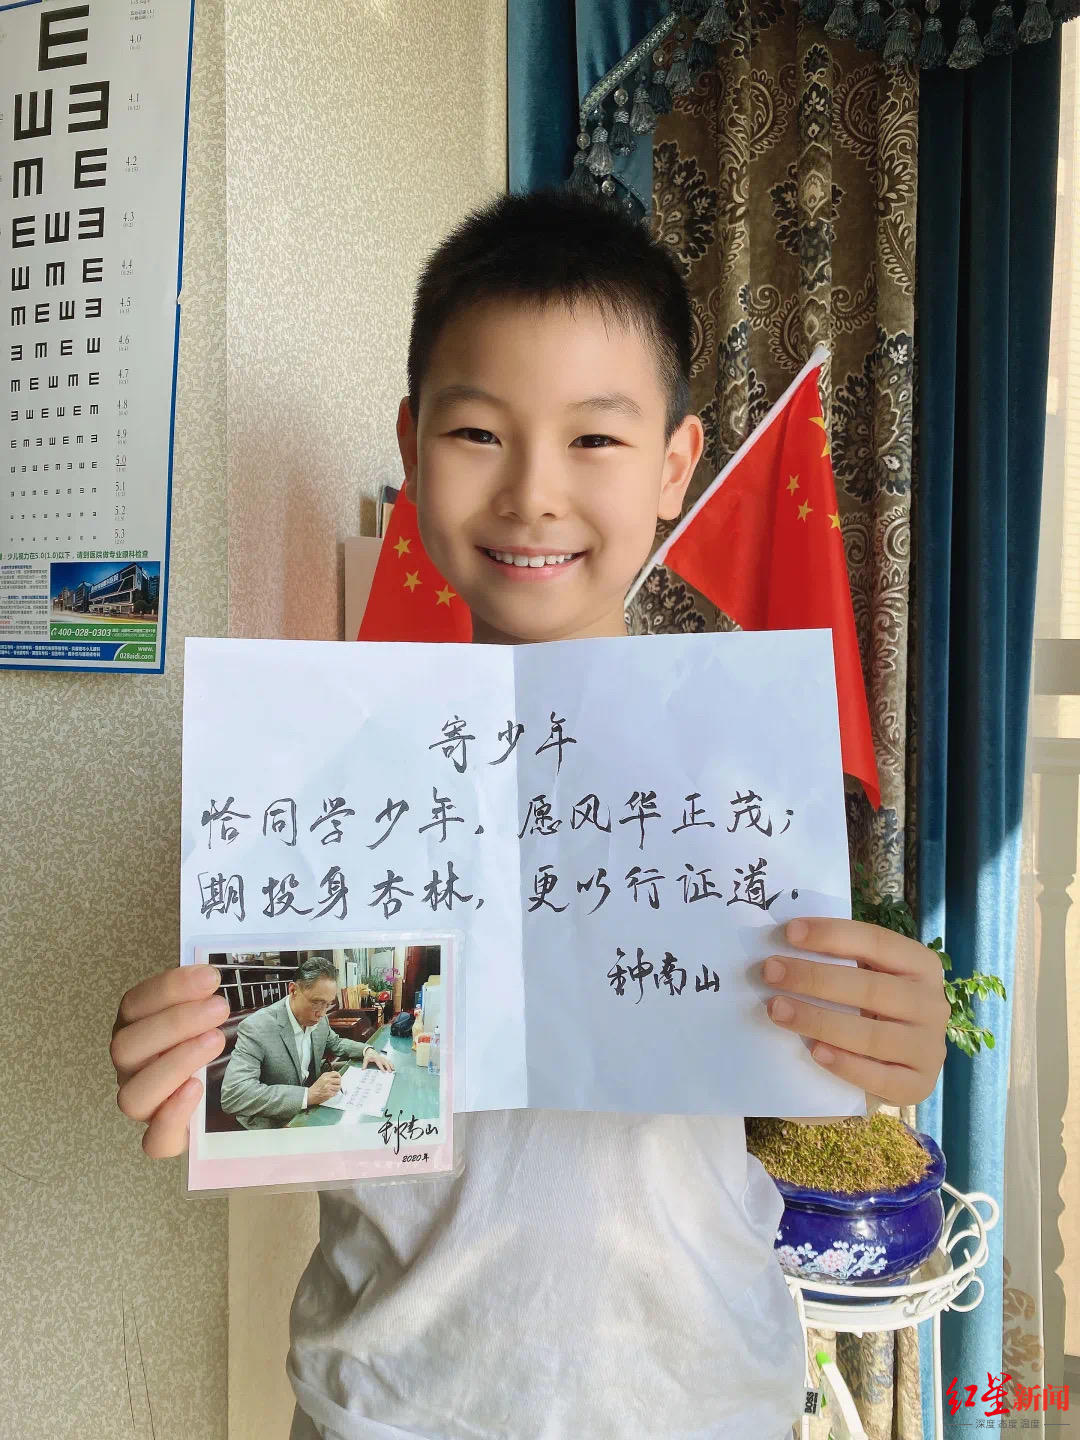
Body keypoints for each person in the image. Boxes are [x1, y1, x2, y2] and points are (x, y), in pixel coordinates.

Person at [111, 189, 951, 1440]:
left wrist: (890, 1038)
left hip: (703, 1403)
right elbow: (307, 1078)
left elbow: (782, 1089)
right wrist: (200, 1058)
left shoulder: (739, 784)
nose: (532, 494)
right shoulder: (325, 785)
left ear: (675, 464)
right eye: (478, 433)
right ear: (412, 445)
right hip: (387, 1410)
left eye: (595, 439)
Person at [219, 955, 394, 1130]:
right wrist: (308, 1095)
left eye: (327, 1004)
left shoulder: (320, 1019)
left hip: (309, 1111)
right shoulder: (257, 1027)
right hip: (272, 1123)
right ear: (293, 990)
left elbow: (335, 1042)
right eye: (316, 1003)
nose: (322, 1013)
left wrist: (367, 1050)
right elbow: (234, 1095)